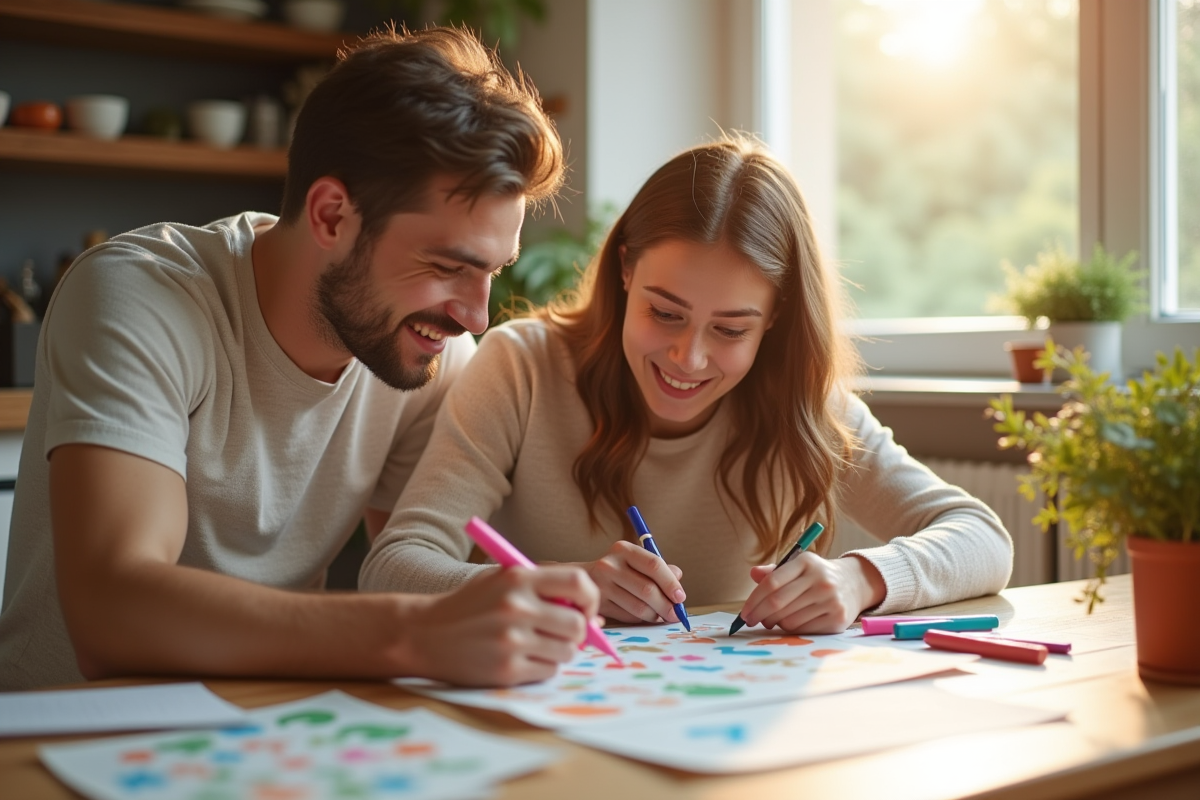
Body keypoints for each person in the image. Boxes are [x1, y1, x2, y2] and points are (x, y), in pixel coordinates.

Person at [0, 26, 600, 691]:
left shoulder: (430, 353)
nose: (475, 316)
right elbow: (114, 614)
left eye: (492, 271)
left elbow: (407, 562)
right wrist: (414, 635)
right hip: (61, 744)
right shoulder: (142, 297)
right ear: (332, 215)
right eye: (446, 266)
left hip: (272, 730)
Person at [360, 135, 1013, 632]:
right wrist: (560, 585)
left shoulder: (804, 404)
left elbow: (982, 537)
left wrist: (861, 578)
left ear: (776, 317)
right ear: (625, 270)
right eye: (664, 313)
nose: (688, 358)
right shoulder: (522, 368)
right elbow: (392, 566)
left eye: (730, 329)